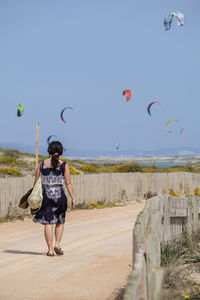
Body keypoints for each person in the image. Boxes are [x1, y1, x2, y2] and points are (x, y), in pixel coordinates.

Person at [33, 141, 75, 256]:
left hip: (46, 197)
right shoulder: (64, 165)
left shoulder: (42, 164)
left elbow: (36, 183)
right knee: (60, 221)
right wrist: (72, 198)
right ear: (60, 151)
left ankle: (50, 250)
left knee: (48, 222)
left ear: (49, 151)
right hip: (60, 196)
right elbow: (68, 183)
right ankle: (57, 244)